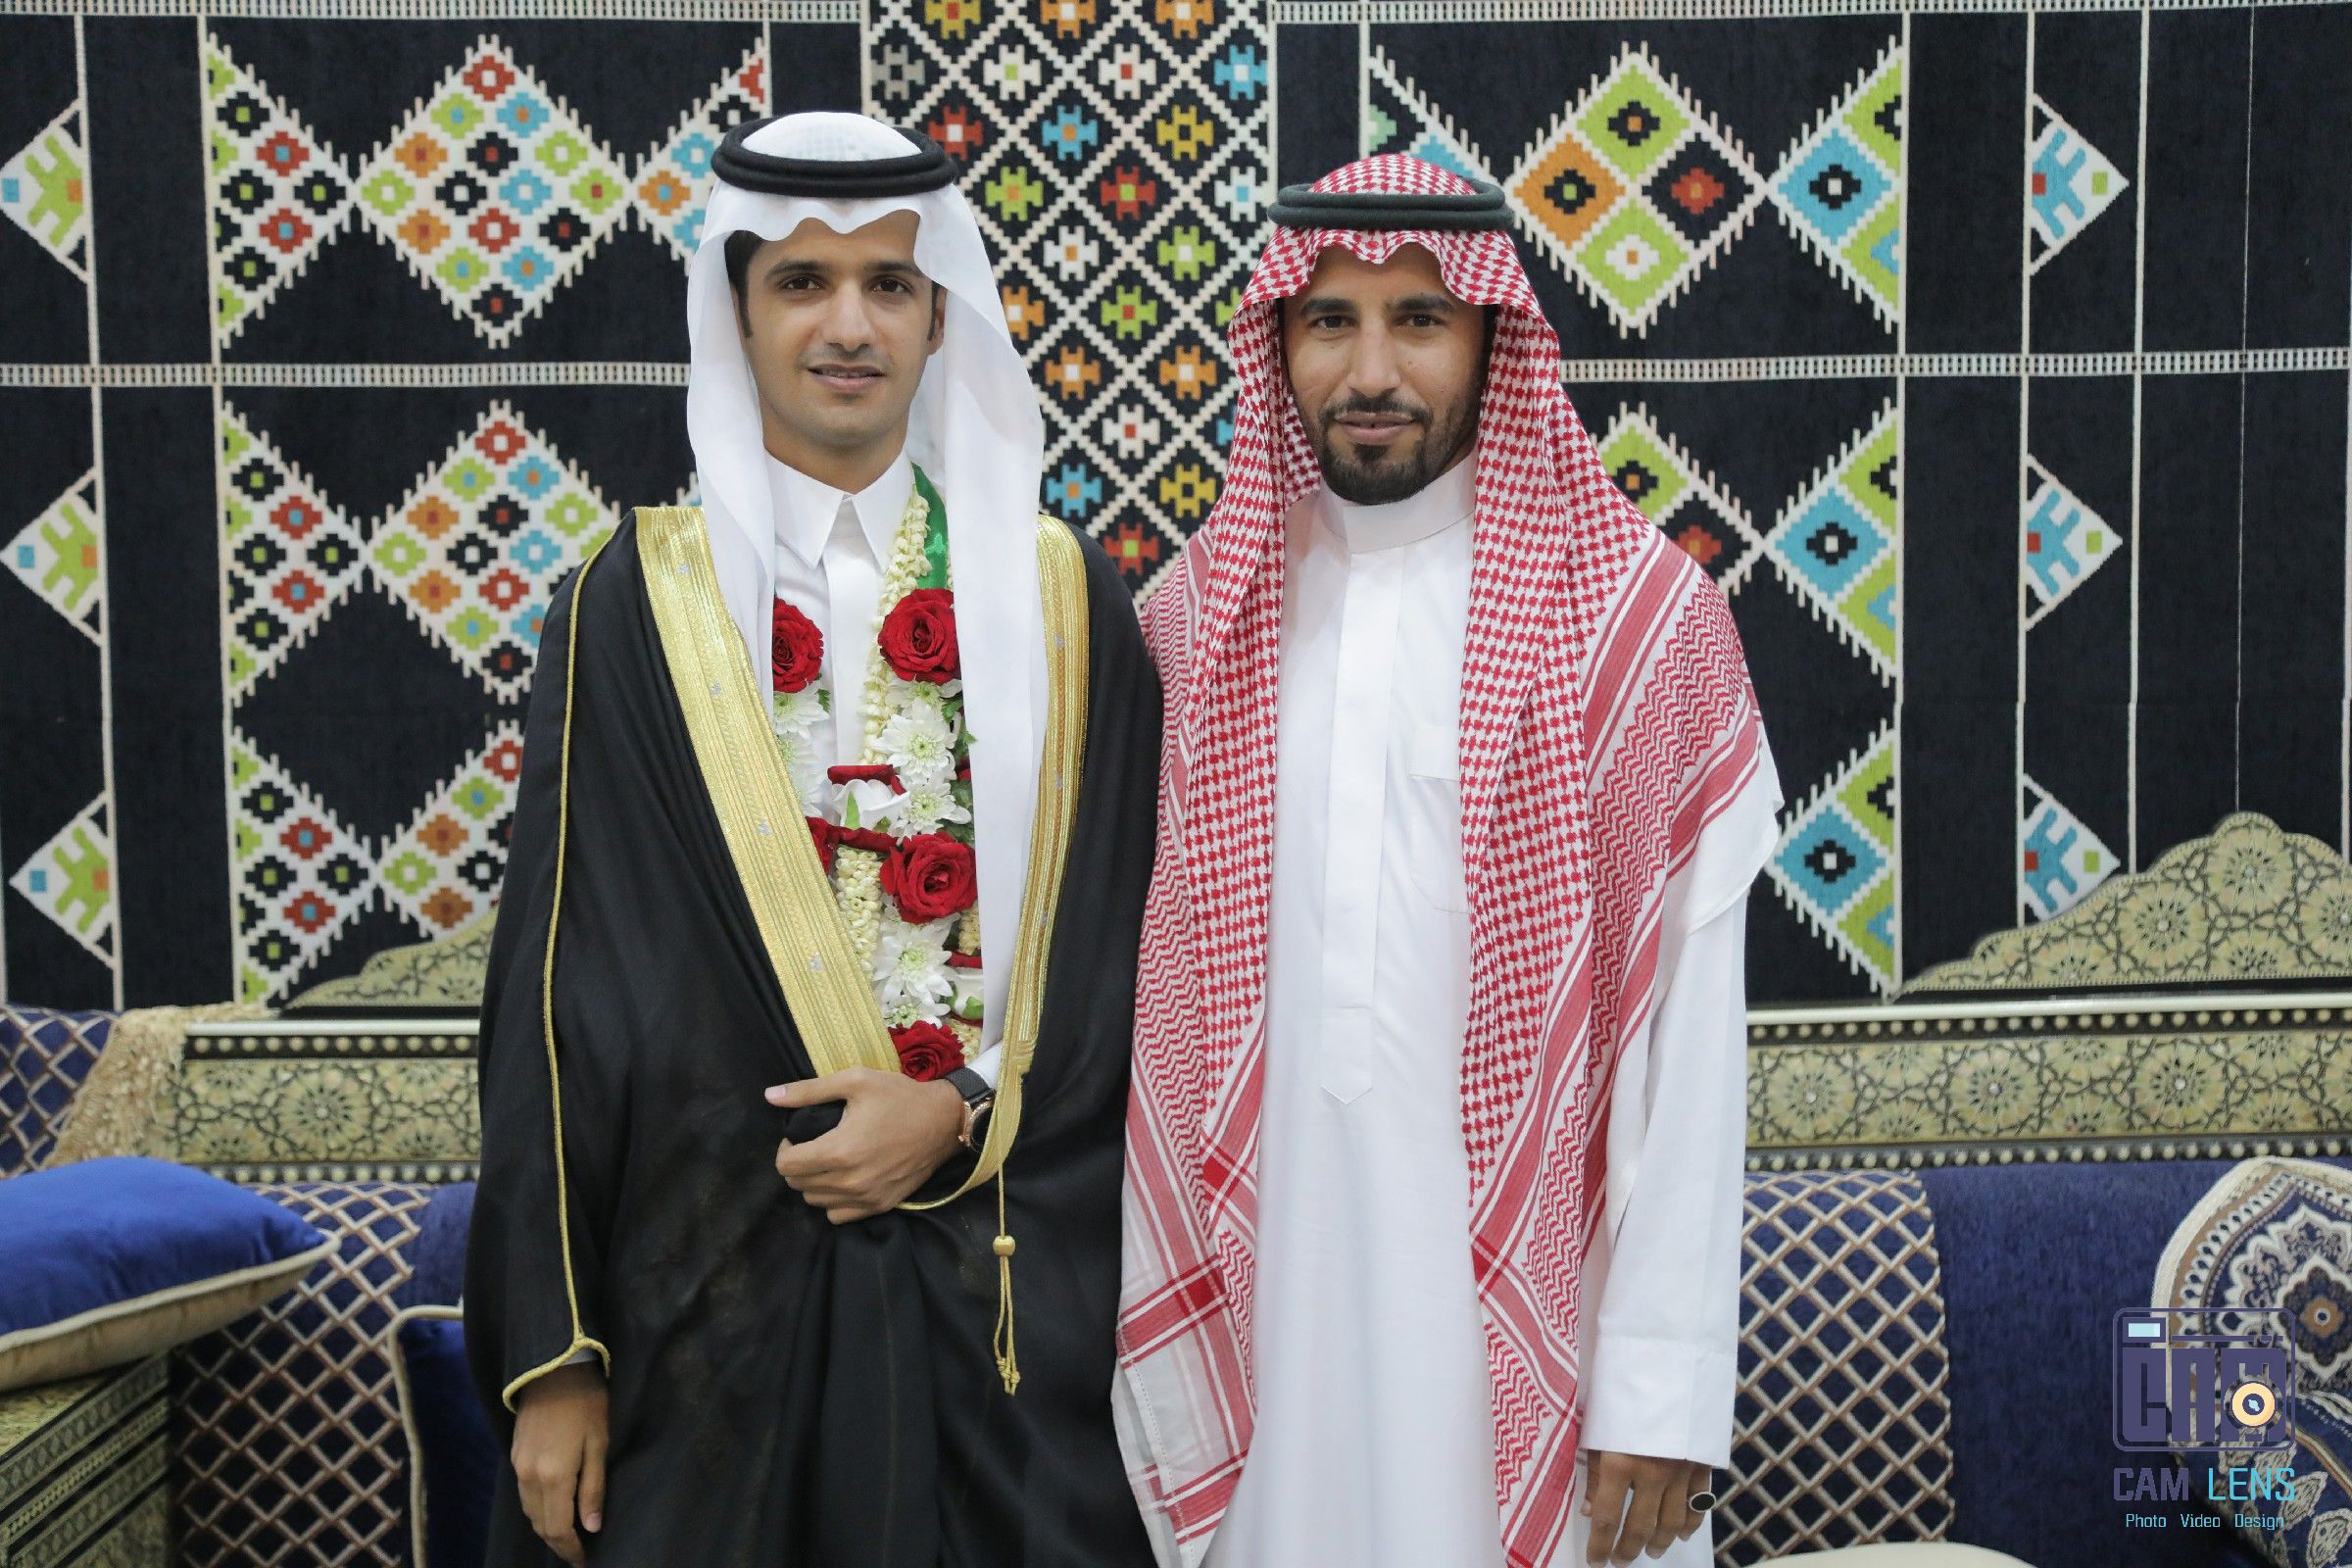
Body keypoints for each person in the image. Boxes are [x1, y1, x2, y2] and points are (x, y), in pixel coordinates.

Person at [465, 111, 1158, 1567]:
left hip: (1000, 1289)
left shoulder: (1061, 603)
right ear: (738, 313)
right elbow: (552, 998)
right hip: (704, 1301)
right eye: (801, 282)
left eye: (889, 285)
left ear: (939, 316)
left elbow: (1126, 964)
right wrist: (557, 1354)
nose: (849, 326)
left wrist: (956, 1110)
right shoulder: (628, 608)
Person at [1113, 156, 1783, 1568]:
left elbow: (1695, 1047)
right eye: (1329, 321)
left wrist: (1661, 1388)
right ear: (1277, 342)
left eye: (1419, 318)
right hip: (1267, 1313)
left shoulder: (1641, 627)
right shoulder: (1190, 624)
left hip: (1549, 1331)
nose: (1371, 371)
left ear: (1491, 337)